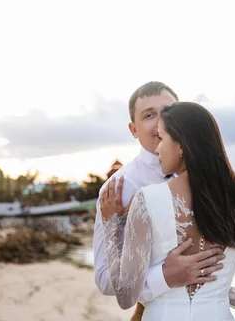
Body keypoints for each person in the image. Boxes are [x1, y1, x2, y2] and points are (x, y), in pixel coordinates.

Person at [100, 102, 235, 320]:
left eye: (161, 138)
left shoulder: (147, 201)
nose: (156, 149)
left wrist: (112, 227)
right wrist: (216, 290)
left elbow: (125, 296)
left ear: (181, 145)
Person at [93, 81, 224, 321]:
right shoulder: (119, 188)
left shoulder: (209, 179)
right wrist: (163, 276)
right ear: (133, 129)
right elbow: (104, 279)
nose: (161, 122)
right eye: (149, 115)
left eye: (168, 111)